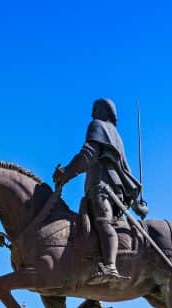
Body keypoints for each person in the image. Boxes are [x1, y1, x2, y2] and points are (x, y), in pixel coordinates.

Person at [53, 98, 148, 287]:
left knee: (103, 222)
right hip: (104, 187)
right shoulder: (115, 135)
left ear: (105, 111)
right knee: (87, 230)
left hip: (104, 186)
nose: (91, 114)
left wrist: (66, 173)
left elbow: (88, 155)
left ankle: (110, 266)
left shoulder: (98, 126)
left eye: (94, 109)